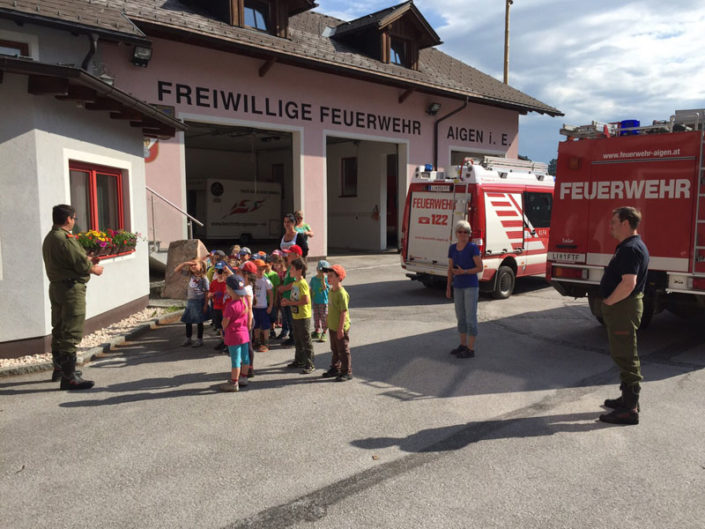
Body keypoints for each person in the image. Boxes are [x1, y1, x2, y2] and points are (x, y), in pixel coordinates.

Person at [42, 204, 104, 389]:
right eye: (74, 218)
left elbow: (68, 261)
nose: (74, 222)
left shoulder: (50, 237)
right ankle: (69, 378)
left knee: (59, 328)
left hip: (57, 287)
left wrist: (87, 260)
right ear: (68, 219)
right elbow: (81, 264)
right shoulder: (65, 238)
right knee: (71, 331)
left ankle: (60, 369)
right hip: (70, 289)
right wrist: (94, 268)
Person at [598, 206, 649, 425]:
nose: (610, 227)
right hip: (624, 307)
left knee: (626, 356)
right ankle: (627, 399)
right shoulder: (630, 246)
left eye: (614, 222)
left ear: (626, 223)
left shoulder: (631, 248)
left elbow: (629, 283)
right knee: (622, 353)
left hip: (623, 308)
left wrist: (609, 301)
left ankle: (630, 409)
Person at [446, 220, 483, 358]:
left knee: (470, 318)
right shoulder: (452, 248)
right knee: (460, 317)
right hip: (458, 286)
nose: (463, 234)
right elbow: (450, 269)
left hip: (470, 286)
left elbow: (480, 267)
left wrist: (465, 271)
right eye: (460, 231)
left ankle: (470, 349)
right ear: (456, 233)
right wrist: (448, 287)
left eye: (466, 232)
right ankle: (463, 345)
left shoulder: (472, 248)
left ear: (469, 234)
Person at [281, 258, 315, 374]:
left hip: (303, 316)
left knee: (305, 340)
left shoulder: (302, 283)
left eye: (292, 269)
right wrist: (287, 301)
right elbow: (295, 298)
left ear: (299, 270)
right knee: (298, 339)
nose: (290, 270)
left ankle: (310, 363)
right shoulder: (295, 283)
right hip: (296, 315)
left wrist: (289, 303)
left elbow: (306, 300)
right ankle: (299, 360)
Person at [219, 276, 252, 392]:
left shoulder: (230, 306)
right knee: (245, 357)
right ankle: (244, 377)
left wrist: (222, 328)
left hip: (234, 336)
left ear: (230, 290)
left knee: (235, 360)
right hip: (244, 334)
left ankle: (234, 383)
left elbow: (225, 323)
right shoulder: (244, 302)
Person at [321, 264, 352, 382]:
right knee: (334, 349)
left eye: (331, 276)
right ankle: (335, 368)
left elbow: (343, 312)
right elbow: (330, 309)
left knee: (343, 350)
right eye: (327, 275)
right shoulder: (331, 291)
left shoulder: (342, 293)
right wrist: (326, 322)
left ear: (339, 278)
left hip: (340, 327)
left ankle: (347, 372)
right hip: (332, 325)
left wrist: (340, 329)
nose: (328, 278)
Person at [174, 259, 210, 347]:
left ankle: (200, 340)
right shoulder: (190, 275)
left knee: (199, 321)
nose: (192, 266)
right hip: (190, 302)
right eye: (191, 265)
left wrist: (206, 305)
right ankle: (188, 339)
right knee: (188, 321)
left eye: (195, 264)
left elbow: (207, 292)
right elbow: (176, 270)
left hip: (199, 302)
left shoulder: (204, 278)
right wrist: (185, 263)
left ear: (201, 266)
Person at [208, 261, 231, 351]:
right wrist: (213, 294)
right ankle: (223, 341)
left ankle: (228, 343)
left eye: (221, 271)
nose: (219, 273)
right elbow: (209, 294)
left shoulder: (227, 283)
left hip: (225, 308)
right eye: (217, 270)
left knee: (226, 326)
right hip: (217, 307)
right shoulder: (214, 283)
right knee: (220, 326)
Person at [252, 259, 274, 353]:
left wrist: (270, 306)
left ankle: (266, 342)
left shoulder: (266, 280)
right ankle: (257, 341)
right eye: (258, 269)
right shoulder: (253, 280)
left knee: (265, 326)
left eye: (262, 269)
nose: (261, 271)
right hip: (254, 307)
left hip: (263, 307)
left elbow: (271, 293)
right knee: (255, 325)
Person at [310, 260, 330, 341]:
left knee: (324, 317)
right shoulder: (313, 279)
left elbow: (325, 288)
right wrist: (310, 298)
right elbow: (311, 289)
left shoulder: (326, 279)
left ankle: (324, 332)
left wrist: (323, 280)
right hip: (315, 301)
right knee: (316, 317)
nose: (322, 273)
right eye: (321, 270)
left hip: (323, 302)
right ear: (317, 269)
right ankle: (317, 331)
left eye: (324, 271)